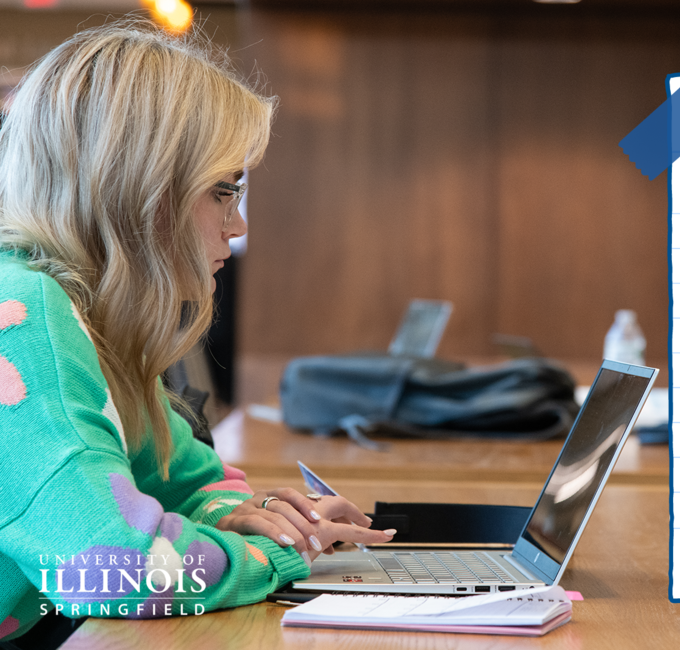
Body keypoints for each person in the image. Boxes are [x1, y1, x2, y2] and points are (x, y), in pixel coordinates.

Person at [0, 20, 392, 648]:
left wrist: (258, 519)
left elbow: (182, 479)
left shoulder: (89, 315)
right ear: (136, 187)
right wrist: (291, 555)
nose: (236, 226)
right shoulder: (22, 317)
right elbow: (111, 568)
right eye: (222, 191)